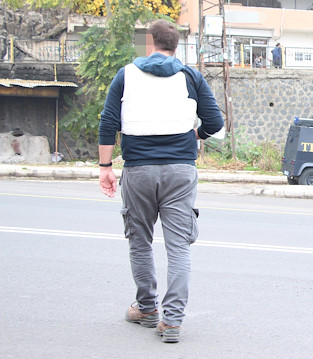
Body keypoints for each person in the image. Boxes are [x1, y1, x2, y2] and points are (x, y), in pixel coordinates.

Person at [98, 19, 224, 343]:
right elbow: (215, 122)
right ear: (175, 46)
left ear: (149, 43)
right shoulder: (189, 76)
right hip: (180, 172)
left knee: (140, 241)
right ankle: (172, 322)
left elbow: (108, 122)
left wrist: (105, 167)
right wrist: (194, 135)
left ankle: (147, 309)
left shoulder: (126, 74)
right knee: (178, 247)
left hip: (138, 171)